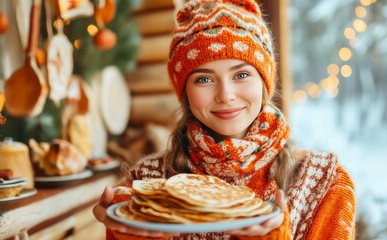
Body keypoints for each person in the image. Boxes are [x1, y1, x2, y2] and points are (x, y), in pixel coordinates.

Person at [93, 0, 356, 239]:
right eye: (204, 79)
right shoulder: (143, 188)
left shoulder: (325, 185)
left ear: (264, 83)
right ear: (185, 92)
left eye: (241, 75)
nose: (225, 95)